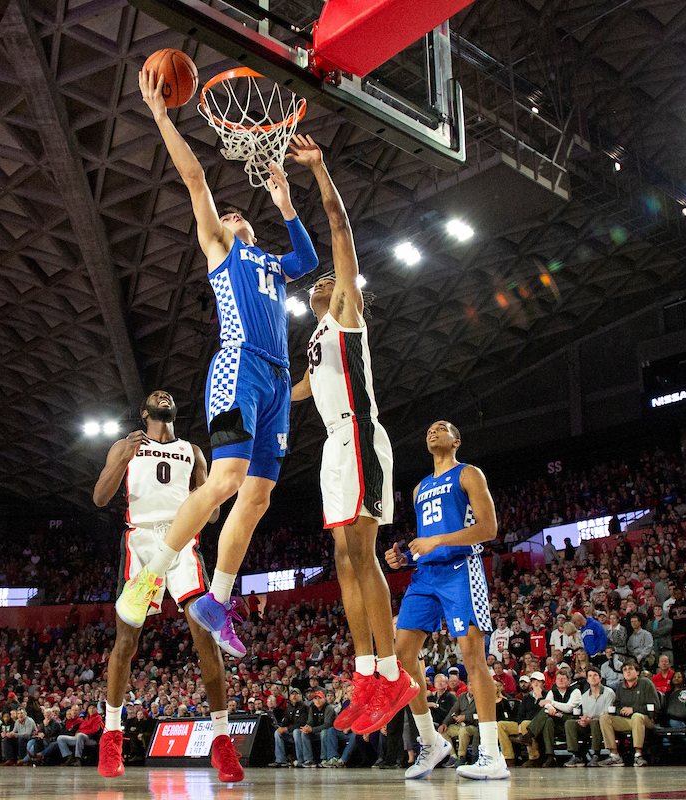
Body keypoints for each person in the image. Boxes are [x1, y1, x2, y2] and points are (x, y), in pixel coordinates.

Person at [115, 68, 319, 657]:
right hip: (238, 369)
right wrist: (160, 116)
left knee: (257, 498)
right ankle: (150, 575)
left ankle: (217, 600)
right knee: (226, 481)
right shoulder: (221, 250)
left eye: (237, 212)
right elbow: (196, 178)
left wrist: (285, 205)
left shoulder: (271, 263)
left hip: (278, 381)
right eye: (224, 215)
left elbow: (305, 258)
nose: (230, 212)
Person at [290, 134, 415, 738]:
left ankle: (392, 674)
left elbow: (341, 233)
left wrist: (317, 172)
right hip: (331, 448)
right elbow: (296, 394)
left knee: (361, 553)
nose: (321, 287)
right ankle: (366, 674)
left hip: (361, 435)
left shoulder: (346, 317)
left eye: (331, 284)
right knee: (341, 557)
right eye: (316, 289)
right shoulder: (315, 342)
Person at [92, 390, 239, 781]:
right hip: (139, 541)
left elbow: (213, 515)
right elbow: (100, 495)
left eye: (168, 394)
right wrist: (122, 458)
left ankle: (222, 743)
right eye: (155, 395)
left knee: (204, 636)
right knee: (126, 641)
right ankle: (111, 735)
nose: (163, 395)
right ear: (144, 412)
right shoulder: (125, 445)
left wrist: (204, 497)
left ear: (174, 409)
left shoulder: (193, 450)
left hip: (182, 539)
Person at [386, 420, 505, 780]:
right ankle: (430, 742)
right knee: (403, 655)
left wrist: (436, 543)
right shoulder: (420, 487)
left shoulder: (469, 474)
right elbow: (429, 537)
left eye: (441, 428)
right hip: (426, 575)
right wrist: (406, 557)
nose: (432, 431)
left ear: (457, 440)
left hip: (460, 571)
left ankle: (491, 753)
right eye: (429, 429)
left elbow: (488, 528)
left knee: (473, 658)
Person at [599, 659, 656, 766]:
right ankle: (614, 755)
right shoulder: (620, 686)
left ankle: (638, 755)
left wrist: (634, 709)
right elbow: (616, 707)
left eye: (630, 669)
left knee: (637, 716)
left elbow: (654, 706)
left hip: (646, 719)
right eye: (625, 670)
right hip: (626, 721)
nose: (627, 672)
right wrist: (620, 710)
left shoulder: (646, 683)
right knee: (604, 718)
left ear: (637, 672)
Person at [564, 666, 615, 766]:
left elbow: (606, 714)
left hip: (602, 724)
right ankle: (576, 755)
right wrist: (584, 720)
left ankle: (596, 754)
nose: (593, 678)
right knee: (570, 723)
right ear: (587, 680)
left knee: (596, 722)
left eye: (595, 675)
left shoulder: (609, 693)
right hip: (590, 723)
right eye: (590, 676)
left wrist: (590, 720)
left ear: (600, 678)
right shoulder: (584, 696)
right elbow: (586, 714)